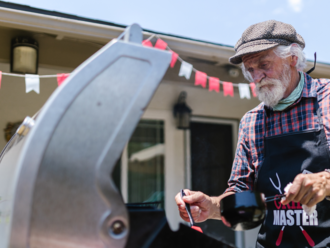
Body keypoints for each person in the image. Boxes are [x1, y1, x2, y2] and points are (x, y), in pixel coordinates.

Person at [175, 20, 330, 247]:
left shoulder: (327, 100)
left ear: (293, 59)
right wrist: (212, 206)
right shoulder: (252, 121)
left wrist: (326, 181)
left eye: (264, 65)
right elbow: (242, 194)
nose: (257, 77)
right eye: (250, 70)